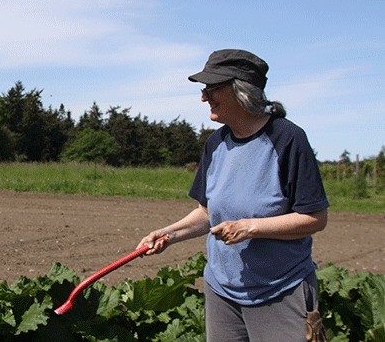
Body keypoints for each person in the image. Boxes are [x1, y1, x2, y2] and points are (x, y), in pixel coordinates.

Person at [137, 49, 328, 341]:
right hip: (222, 292)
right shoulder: (216, 143)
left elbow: (314, 218)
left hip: (279, 290)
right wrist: (168, 234)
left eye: (211, 89)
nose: (203, 97)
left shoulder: (287, 139)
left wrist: (249, 227)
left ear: (241, 92)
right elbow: (206, 212)